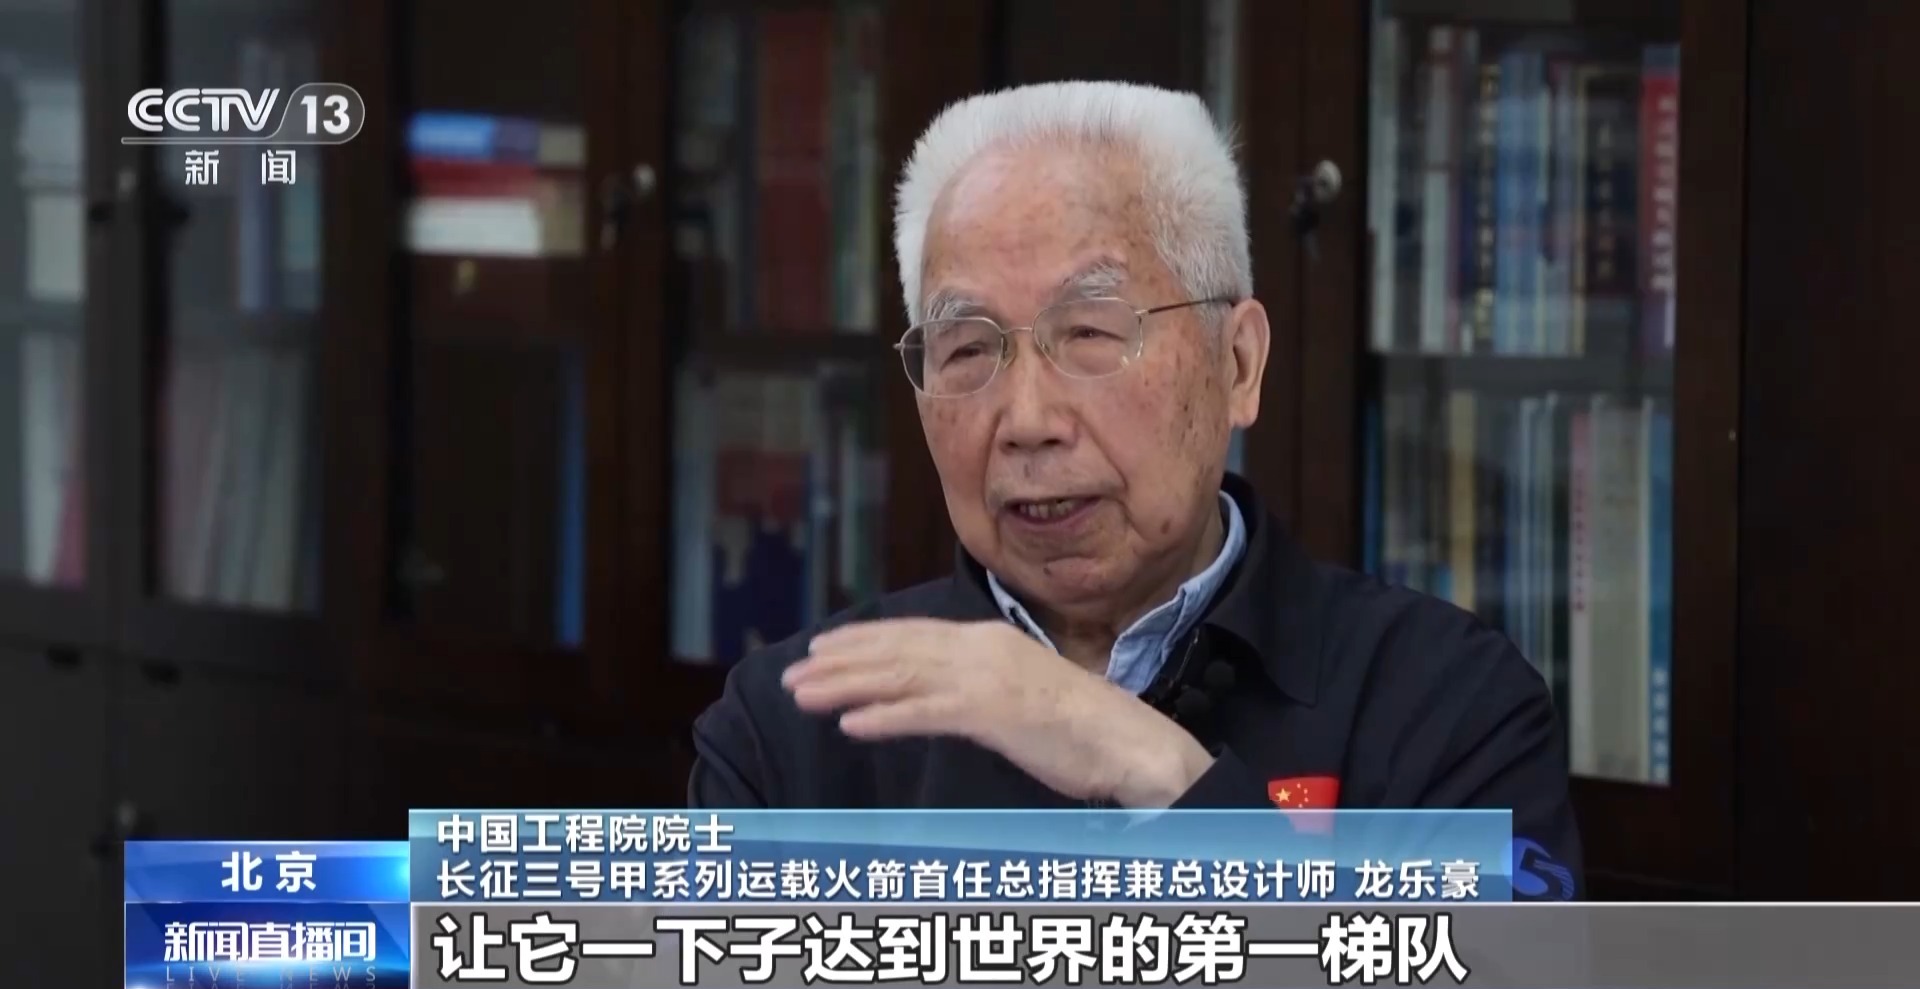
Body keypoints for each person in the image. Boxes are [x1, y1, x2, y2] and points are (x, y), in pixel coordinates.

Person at [688, 81, 1582, 899]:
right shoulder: (787, 731)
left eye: (1089, 332)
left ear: (1238, 364)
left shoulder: (1448, 705)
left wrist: (1164, 778)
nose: (1027, 420)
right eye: (967, 349)